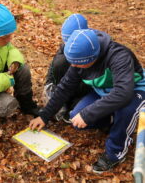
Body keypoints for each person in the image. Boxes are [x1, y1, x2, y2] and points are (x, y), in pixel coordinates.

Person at [30, 29, 145, 173]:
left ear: (92, 58)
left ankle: (116, 153)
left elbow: (123, 92)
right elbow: (64, 88)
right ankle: (111, 120)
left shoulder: (119, 56)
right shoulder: (78, 62)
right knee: (76, 118)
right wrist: (44, 115)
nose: (74, 67)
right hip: (104, 90)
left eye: (77, 64)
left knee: (125, 112)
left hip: (134, 90)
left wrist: (88, 114)